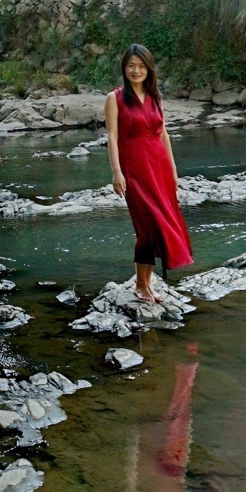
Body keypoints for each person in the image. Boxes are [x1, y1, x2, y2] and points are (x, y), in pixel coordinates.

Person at [105, 43, 192, 303]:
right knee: (146, 227)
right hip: (134, 170)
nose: (136, 71)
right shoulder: (115, 98)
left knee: (160, 227)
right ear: (124, 68)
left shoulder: (155, 97)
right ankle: (140, 285)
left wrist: (173, 170)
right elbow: (112, 137)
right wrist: (116, 172)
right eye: (131, 66)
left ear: (149, 69)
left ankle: (147, 283)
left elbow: (163, 134)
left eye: (141, 66)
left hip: (159, 168)